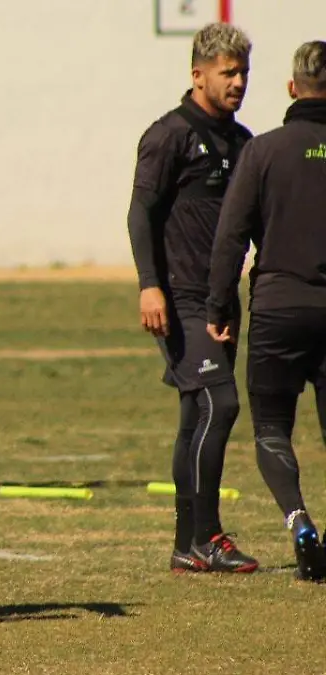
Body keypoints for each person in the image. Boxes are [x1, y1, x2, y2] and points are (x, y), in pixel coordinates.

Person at [126, 22, 258, 574]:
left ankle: (187, 547)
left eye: (243, 72)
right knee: (220, 404)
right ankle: (208, 535)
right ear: (197, 75)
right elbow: (140, 215)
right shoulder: (169, 135)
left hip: (220, 300)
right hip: (178, 296)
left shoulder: (245, 142)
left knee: (194, 415)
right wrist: (148, 284)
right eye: (228, 72)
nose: (238, 82)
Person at [206, 40, 326, 582]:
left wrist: (219, 305)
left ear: (292, 88)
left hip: (279, 308)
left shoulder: (264, 150)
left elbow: (230, 237)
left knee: (273, 428)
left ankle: (300, 522)